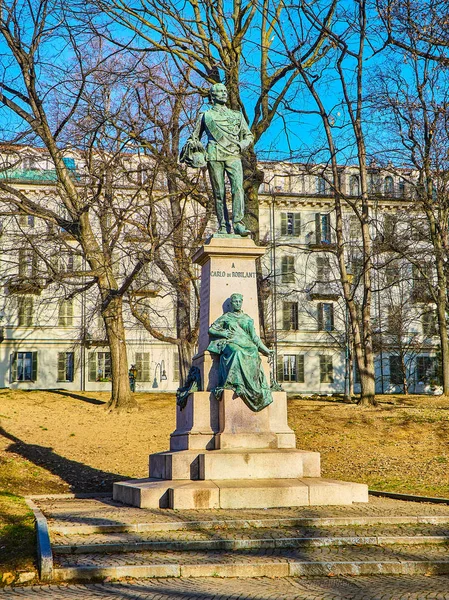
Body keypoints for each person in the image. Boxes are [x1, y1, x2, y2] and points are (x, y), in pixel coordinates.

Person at [180, 83, 254, 236]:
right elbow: (194, 137)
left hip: (233, 154)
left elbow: (249, 136)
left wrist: (241, 146)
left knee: (238, 189)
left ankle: (238, 223)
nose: (224, 93)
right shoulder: (206, 116)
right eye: (220, 91)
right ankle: (223, 225)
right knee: (219, 193)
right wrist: (194, 147)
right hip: (214, 155)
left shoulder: (237, 115)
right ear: (212, 96)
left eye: (225, 91)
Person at [207, 293, 273, 412]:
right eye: (235, 301)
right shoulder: (226, 317)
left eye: (239, 301)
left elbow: (255, 338)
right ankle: (237, 384)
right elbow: (211, 329)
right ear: (231, 303)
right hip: (231, 343)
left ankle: (251, 387)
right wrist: (222, 333)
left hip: (247, 344)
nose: (237, 303)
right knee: (236, 352)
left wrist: (266, 350)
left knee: (253, 351)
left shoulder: (247, 318)